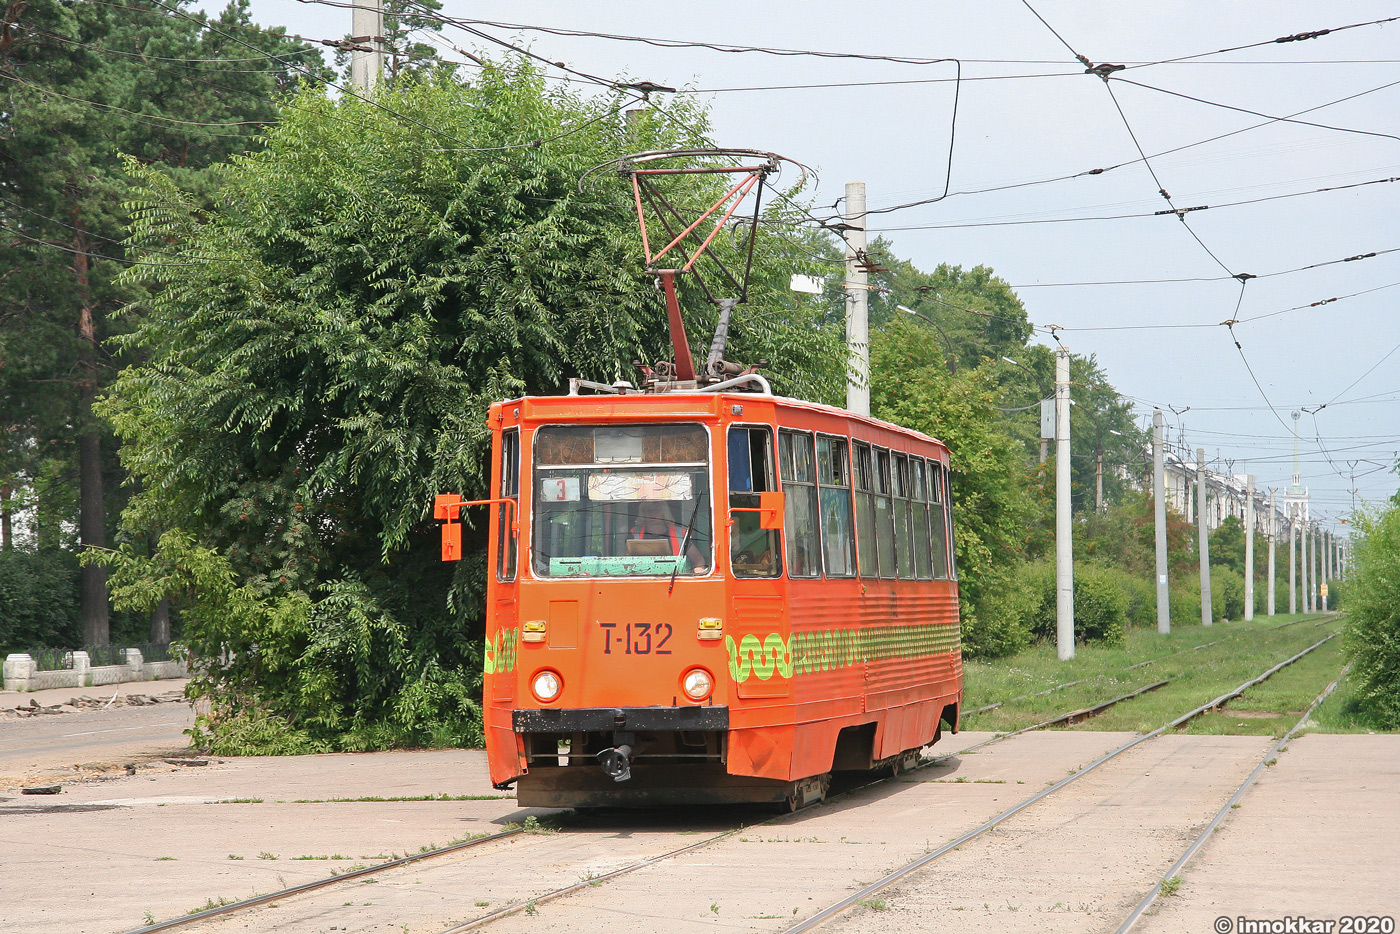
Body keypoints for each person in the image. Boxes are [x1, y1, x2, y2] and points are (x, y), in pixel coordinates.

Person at [633, 501, 709, 574]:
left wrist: (698, 570)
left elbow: (698, 559)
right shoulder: (634, 533)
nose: (652, 514)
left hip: (675, 579)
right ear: (643, 513)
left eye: (656, 510)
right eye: (648, 510)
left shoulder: (680, 533)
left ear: (664, 512)